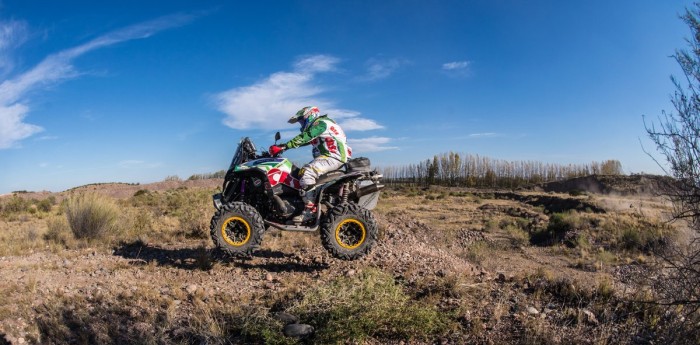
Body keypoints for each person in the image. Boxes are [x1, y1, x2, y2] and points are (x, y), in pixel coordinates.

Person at [269, 106, 352, 223]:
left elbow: (305, 137)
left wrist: (284, 146)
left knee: (307, 172)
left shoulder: (321, 123)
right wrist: (283, 146)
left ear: (311, 115)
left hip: (334, 156)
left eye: (302, 121)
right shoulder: (321, 125)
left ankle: (310, 211)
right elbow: (305, 140)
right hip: (332, 156)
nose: (301, 125)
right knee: (300, 173)